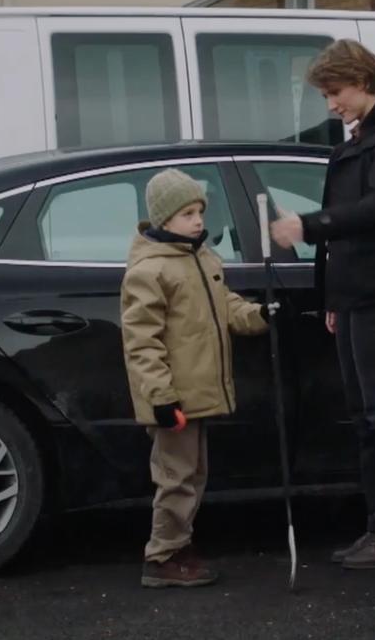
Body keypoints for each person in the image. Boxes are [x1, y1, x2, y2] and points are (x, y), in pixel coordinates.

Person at [270, 39, 375, 569]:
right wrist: (332, 298)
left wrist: (306, 226)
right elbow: (346, 225)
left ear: (365, 83)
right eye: (326, 94)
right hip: (356, 294)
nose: (331, 105)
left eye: (336, 91)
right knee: (366, 416)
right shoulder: (363, 139)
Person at [122, 168, 272, 587]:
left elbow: (226, 306)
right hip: (174, 398)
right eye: (187, 213)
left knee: (192, 474)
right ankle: (162, 556)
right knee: (174, 477)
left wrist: (261, 316)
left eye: (199, 211)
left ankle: (179, 544)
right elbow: (141, 343)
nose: (197, 221)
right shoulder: (150, 270)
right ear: (163, 219)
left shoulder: (201, 257)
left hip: (199, 392)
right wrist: (160, 398)